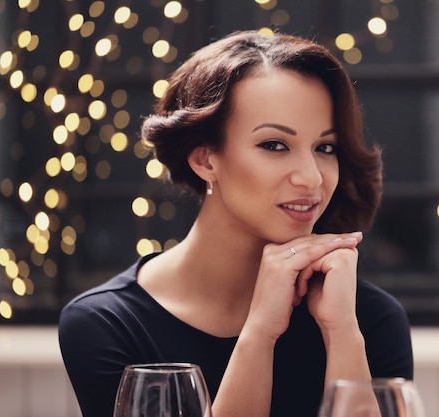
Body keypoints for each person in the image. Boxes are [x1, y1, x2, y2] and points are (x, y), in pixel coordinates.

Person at [58, 30, 413, 417]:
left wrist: (342, 332)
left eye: (325, 148)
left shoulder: (369, 318)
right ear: (205, 160)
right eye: (275, 145)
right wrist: (259, 332)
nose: (312, 178)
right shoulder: (108, 325)